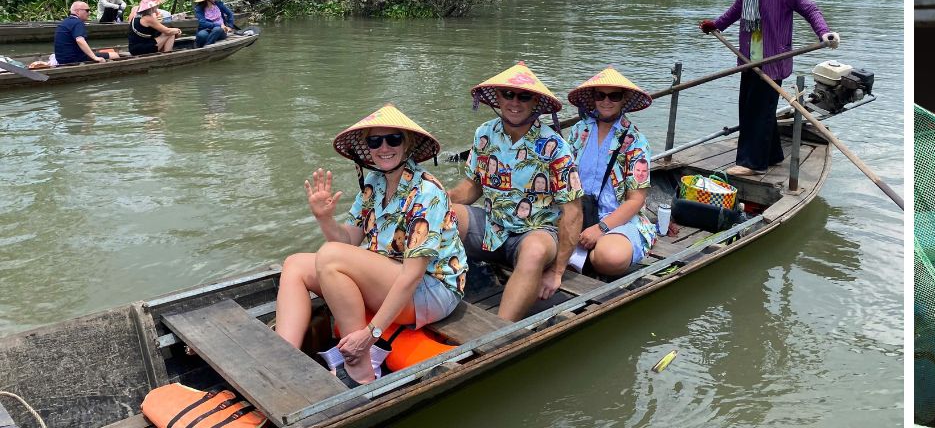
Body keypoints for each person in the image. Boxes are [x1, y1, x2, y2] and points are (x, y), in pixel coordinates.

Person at [273, 104, 466, 388]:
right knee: (295, 265)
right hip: (390, 275)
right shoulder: (374, 183)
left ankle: (360, 365)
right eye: (375, 141)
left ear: (407, 143)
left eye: (393, 139)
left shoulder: (427, 192)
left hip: (430, 289)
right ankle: (281, 358)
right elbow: (347, 242)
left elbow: (412, 276)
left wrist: (371, 334)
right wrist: (324, 218)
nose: (383, 147)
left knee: (330, 257)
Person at [450, 62, 583, 321]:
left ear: (535, 102)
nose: (515, 102)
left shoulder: (555, 146)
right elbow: (472, 186)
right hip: (492, 227)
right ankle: (425, 297)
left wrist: (557, 271)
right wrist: (439, 200)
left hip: (536, 232)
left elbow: (572, 211)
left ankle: (497, 334)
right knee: (444, 215)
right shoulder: (485, 134)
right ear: (498, 98)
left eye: (524, 96)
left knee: (533, 252)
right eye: (508, 94)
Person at [698, 0, 840, 175]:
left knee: (759, 109)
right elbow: (738, 8)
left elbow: (809, 8)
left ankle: (752, 164)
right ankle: (773, 155)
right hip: (748, 55)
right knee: (752, 106)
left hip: (773, 57)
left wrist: (824, 33)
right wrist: (717, 24)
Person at [564, 67, 657, 278]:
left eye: (614, 96)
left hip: (617, 219)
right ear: (593, 98)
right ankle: (579, 255)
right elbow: (565, 179)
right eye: (600, 95)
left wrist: (601, 228)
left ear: (624, 99)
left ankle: (587, 256)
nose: (606, 101)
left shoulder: (636, 141)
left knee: (609, 258)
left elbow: (636, 200)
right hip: (578, 211)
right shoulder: (580, 131)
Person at [53, 1, 120, 65]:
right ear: (77, 11)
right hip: (74, 59)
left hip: (61, 59)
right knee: (115, 55)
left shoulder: (65, 22)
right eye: (87, 10)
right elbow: (79, 40)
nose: (89, 13)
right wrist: (95, 57)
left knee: (106, 51)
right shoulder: (77, 23)